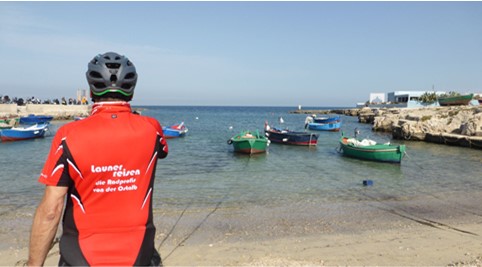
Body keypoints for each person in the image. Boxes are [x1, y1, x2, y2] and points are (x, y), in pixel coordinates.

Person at [28, 52, 168, 266]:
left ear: (92, 88)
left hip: (80, 257)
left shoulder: (68, 135)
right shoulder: (152, 129)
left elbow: (51, 210)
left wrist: (33, 264)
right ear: (132, 88)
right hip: (139, 256)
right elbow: (162, 151)